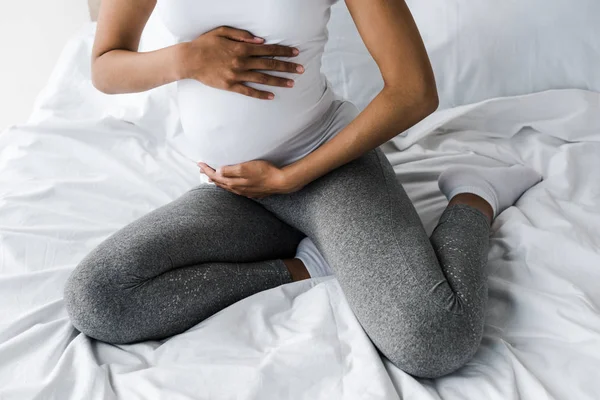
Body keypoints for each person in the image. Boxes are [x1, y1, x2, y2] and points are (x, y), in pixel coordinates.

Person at [64, 0, 542, 378]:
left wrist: (293, 177)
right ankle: (309, 263)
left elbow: (414, 89)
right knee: (99, 297)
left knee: (434, 340)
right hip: (239, 190)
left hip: (329, 168)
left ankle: (474, 193)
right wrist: (187, 59)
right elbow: (107, 66)